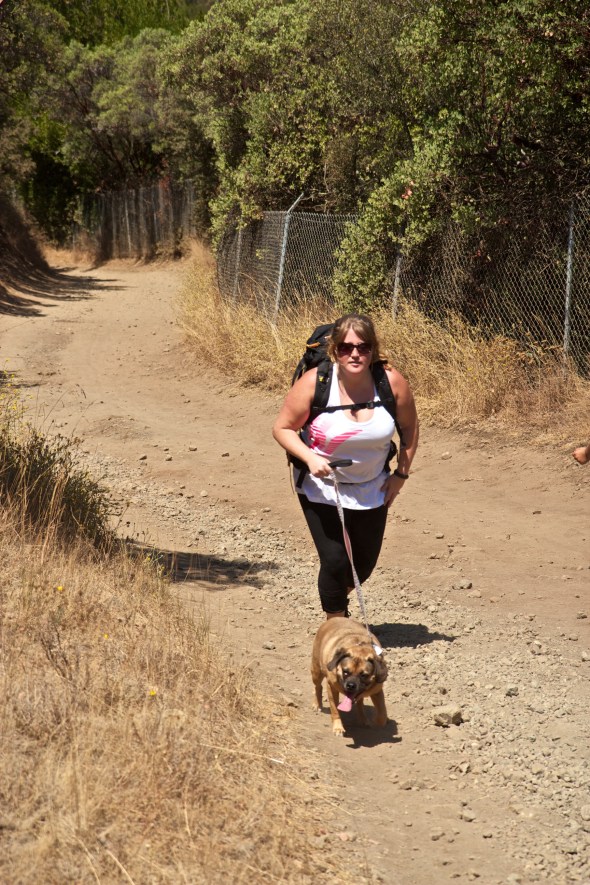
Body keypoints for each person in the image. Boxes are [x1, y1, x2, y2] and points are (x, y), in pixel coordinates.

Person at [272, 313, 419, 619]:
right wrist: (311, 458)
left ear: (373, 349)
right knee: (336, 559)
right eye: (345, 347)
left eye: (363, 347)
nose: (354, 354)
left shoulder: (391, 383)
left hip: (372, 486)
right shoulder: (316, 383)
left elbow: (410, 430)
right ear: (334, 349)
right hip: (321, 488)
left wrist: (400, 475)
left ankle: (337, 598)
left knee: (362, 564)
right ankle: (336, 625)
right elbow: (283, 428)